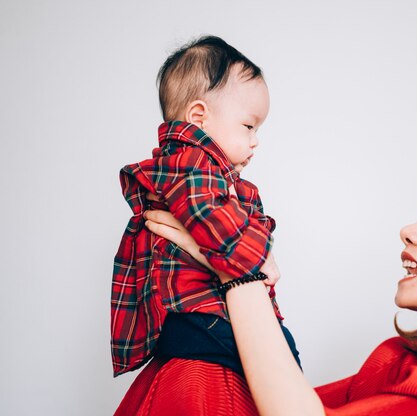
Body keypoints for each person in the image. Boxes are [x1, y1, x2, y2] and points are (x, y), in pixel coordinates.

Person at [134, 169, 417, 415]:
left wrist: (236, 262)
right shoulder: (400, 361)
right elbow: (274, 400)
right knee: (193, 373)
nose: (408, 231)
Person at [110, 35, 299, 386]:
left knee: (280, 355)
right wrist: (261, 260)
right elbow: (211, 220)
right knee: (283, 358)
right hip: (195, 320)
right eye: (248, 126)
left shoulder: (208, 173)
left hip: (203, 318)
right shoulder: (192, 165)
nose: (256, 140)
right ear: (199, 116)